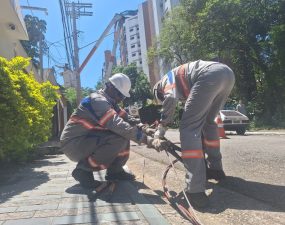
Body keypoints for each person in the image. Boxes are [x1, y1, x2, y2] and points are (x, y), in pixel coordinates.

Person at [152, 60, 235, 208]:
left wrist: (162, 127)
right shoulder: (182, 79)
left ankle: (195, 189)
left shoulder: (166, 79)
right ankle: (216, 169)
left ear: (158, 90)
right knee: (209, 123)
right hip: (227, 74)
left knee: (188, 128)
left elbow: (170, 98)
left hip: (209, 75)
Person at [60, 73, 153, 189]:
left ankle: (115, 171)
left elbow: (126, 118)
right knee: (119, 134)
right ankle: (83, 170)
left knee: (123, 134)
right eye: (120, 94)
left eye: (123, 97)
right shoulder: (98, 100)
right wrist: (147, 140)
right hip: (73, 144)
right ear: (110, 86)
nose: (120, 99)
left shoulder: (111, 102)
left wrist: (143, 127)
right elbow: (119, 125)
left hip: (84, 140)